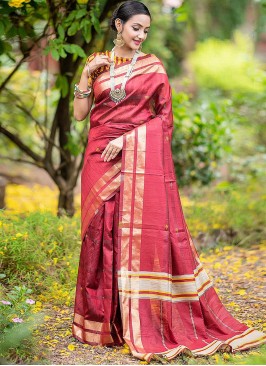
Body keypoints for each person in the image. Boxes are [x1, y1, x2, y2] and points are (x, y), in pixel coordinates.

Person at [71, 1, 266, 362]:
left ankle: (137, 320)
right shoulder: (97, 62)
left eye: (146, 30)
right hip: (99, 158)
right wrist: (85, 75)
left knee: (134, 235)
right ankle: (104, 321)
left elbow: (164, 120)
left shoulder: (153, 67)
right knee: (100, 233)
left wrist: (127, 140)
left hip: (131, 156)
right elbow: (81, 114)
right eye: (135, 28)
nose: (141, 36)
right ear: (118, 25)